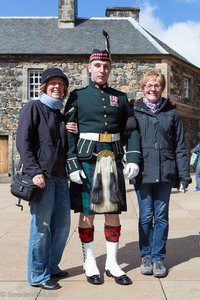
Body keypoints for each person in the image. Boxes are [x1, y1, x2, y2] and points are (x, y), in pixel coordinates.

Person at [65, 31, 141, 285]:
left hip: (112, 160)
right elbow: (68, 132)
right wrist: (72, 163)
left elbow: (131, 130)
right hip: (87, 160)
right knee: (87, 214)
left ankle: (112, 263)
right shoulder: (76, 95)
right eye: (97, 65)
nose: (102, 70)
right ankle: (89, 262)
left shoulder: (120, 98)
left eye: (106, 66)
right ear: (89, 67)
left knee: (112, 214)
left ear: (111, 69)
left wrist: (132, 158)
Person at [16, 67, 77, 290]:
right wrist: (35, 172)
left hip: (61, 178)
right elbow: (23, 142)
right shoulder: (33, 107)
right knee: (41, 227)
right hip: (42, 178)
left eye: (61, 84)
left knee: (61, 226)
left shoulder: (61, 114)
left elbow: (63, 145)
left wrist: (71, 129)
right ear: (44, 86)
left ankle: (51, 265)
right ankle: (37, 274)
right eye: (53, 83)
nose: (57, 87)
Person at [129, 69, 191, 278]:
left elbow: (181, 146)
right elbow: (123, 136)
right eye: (149, 85)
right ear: (143, 87)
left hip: (166, 171)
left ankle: (158, 258)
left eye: (156, 85)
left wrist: (184, 176)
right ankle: (145, 255)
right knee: (146, 217)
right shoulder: (134, 111)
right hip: (143, 171)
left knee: (162, 217)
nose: (152, 89)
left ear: (162, 88)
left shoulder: (171, 113)